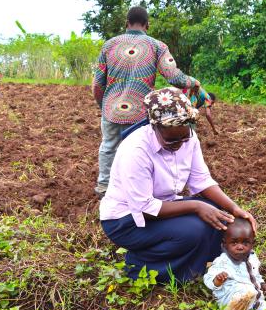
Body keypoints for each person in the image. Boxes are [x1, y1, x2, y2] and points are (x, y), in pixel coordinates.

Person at [99, 87, 256, 283]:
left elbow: (201, 180)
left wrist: (233, 208)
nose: (179, 144)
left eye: (183, 138)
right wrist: (196, 206)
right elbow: (144, 208)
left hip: (162, 206)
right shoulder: (136, 150)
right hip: (126, 220)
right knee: (193, 231)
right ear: (154, 126)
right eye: (171, 140)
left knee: (221, 215)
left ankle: (212, 266)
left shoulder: (189, 137)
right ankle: (141, 266)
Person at [92, 6, 200, 197]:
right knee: (141, 149)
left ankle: (104, 188)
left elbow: (97, 84)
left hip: (111, 109)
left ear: (126, 24)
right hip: (140, 113)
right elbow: (173, 76)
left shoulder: (109, 45)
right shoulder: (156, 46)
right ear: (147, 25)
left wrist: (105, 106)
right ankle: (139, 189)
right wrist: (193, 82)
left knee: (109, 147)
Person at [203, 218, 266, 310]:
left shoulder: (252, 257)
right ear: (225, 244)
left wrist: (262, 283)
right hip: (230, 297)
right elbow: (208, 278)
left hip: (254, 297)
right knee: (246, 291)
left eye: (245, 242)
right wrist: (217, 280)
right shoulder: (223, 261)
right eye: (234, 242)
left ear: (252, 244)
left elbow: (256, 274)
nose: (240, 247)